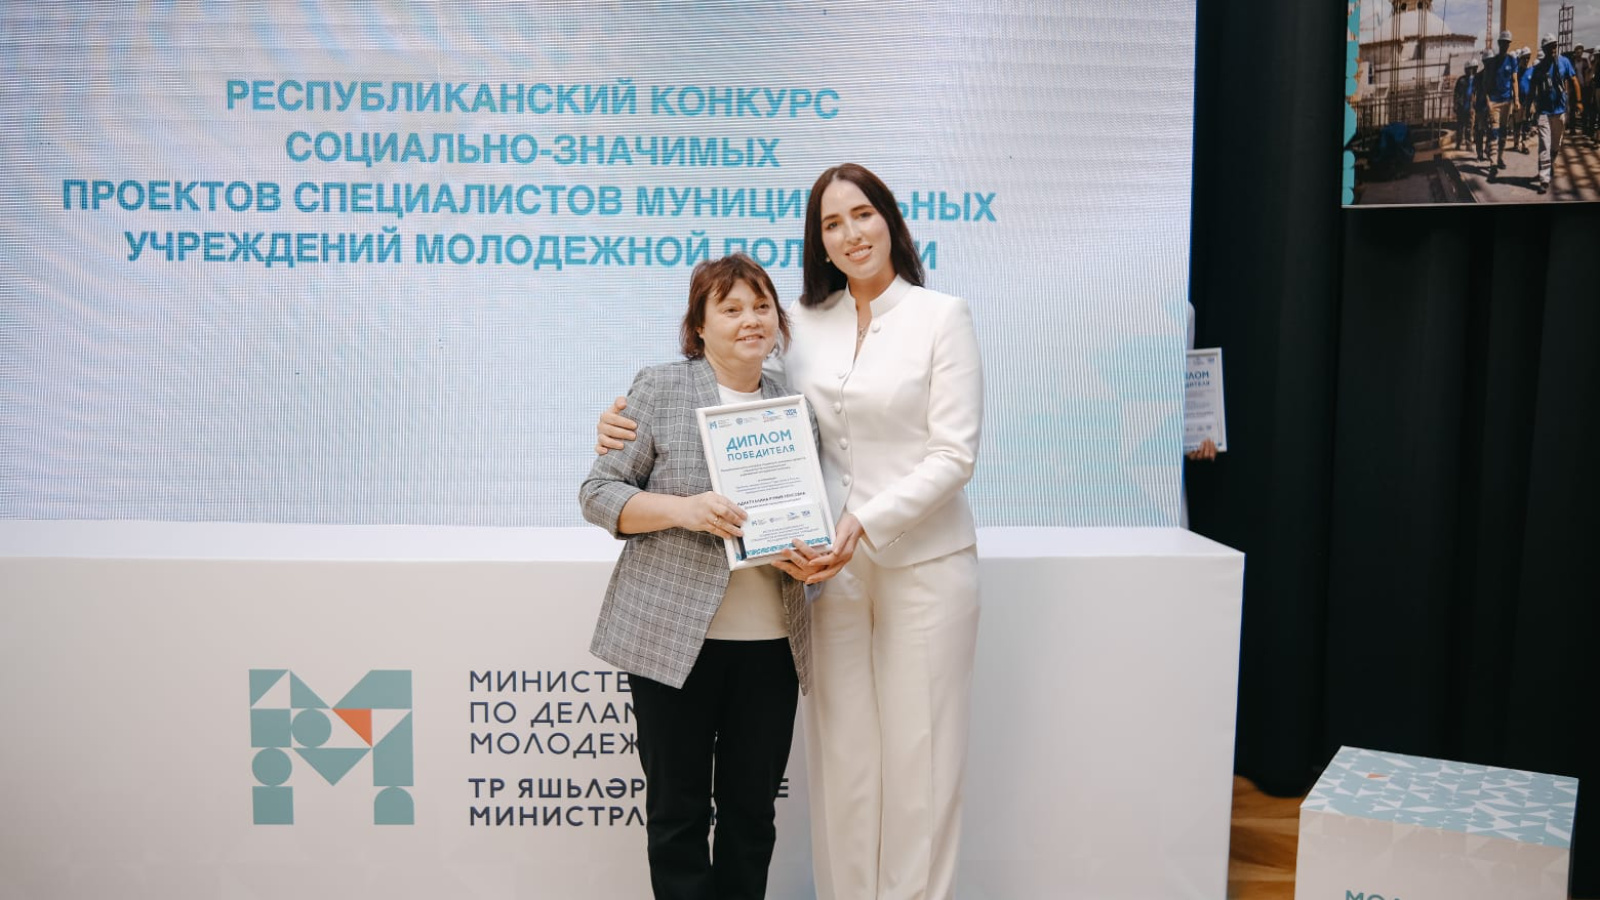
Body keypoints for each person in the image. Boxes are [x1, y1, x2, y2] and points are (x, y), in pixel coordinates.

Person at [599, 163, 985, 900]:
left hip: (920, 562)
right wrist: (619, 420)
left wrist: (862, 522)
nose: (850, 233)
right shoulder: (801, 322)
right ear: (819, 241)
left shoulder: (942, 316)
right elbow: (718, 374)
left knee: (922, 761)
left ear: (890, 221)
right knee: (844, 763)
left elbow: (954, 456)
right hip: (819, 572)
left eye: (862, 214)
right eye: (831, 223)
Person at [580, 252, 815, 900]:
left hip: (771, 646)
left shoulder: (797, 405)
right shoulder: (660, 388)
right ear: (699, 326)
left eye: (761, 306)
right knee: (677, 815)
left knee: (751, 818)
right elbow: (598, 493)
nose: (750, 320)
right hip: (672, 640)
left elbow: (814, 510)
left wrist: (808, 554)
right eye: (730, 308)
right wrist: (684, 510)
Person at [1531, 33, 1584, 195]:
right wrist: (1528, 108)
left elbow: (1574, 80)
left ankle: (1549, 164)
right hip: (1544, 112)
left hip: (1560, 111)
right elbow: (1532, 88)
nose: (1553, 49)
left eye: (1554, 46)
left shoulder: (1564, 62)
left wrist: (1579, 101)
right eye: (1549, 47)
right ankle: (1544, 179)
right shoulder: (1539, 68)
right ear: (1544, 49)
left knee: (1555, 145)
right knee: (1544, 145)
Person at [1483, 31, 1522, 178]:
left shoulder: (1512, 60)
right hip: (1494, 101)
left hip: (1507, 101)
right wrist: (1488, 101)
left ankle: (1500, 158)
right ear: (1499, 44)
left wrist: (1516, 99)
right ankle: (1493, 163)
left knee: (1503, 131)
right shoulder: (1492, 62)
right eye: (1503, 43)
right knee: (1494, 130)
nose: (1505, 45)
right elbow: (1486, 83)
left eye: (1507, 43)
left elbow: (1514, 81)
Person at [1455, 58, 1479, 151]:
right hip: (1461, 107)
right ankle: (1458, 143)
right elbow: (1456, 94)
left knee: (1469, 127)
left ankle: (1468, 145)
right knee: (1460, 127)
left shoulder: (1475, 80)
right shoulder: (1461, 80)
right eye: (1467, 69)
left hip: (1470, 107)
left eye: (1470, 69)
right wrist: (1456, 105)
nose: (1469, 71)